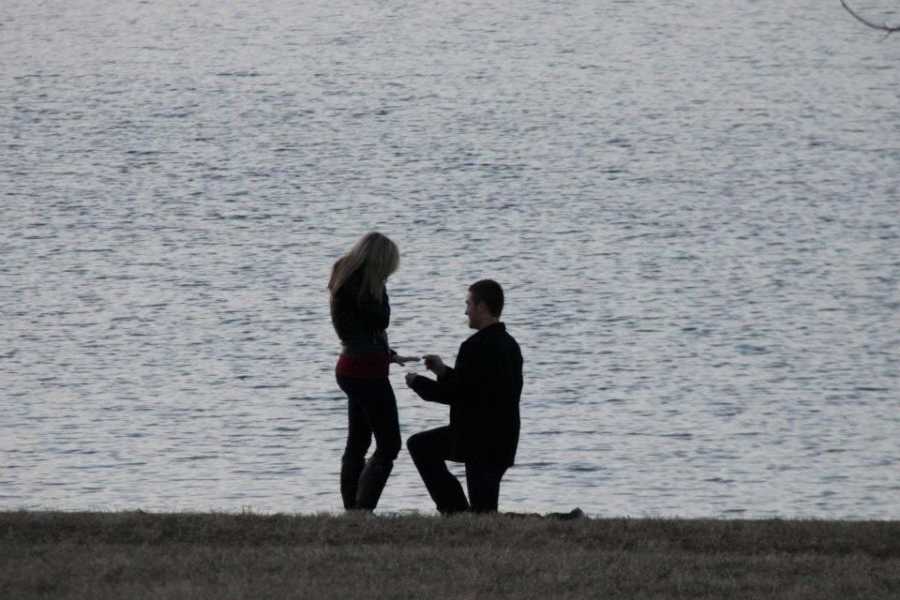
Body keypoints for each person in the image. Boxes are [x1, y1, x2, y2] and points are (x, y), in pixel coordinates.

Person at [405, 279, 523, 514]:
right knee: (421, 446)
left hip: (477, 440)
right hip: (503, 437)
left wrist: (417, 382)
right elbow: (474, 387)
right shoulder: (510, 345)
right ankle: (458, 513)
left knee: (484, 513)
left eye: (468, 304)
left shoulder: (473, 346)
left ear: (481, 306)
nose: (465, 311)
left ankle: (456, 511)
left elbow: (456, 394)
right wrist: (442, 371)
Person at [328, 232, 416, 511]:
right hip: (367, 372)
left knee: (358, 441)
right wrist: (381, 285)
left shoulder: (345, 280)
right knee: (389, 444)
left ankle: (353, 510)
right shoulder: (366, 285)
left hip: (351, 366)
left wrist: (389, 355)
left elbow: (360, 331)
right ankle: (362, 508)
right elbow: (380, 320)